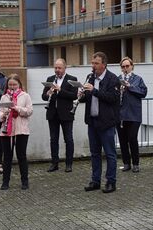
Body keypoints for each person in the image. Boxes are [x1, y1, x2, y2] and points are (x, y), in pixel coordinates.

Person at [79, 52, 120, 193]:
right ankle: (95, 180)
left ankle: (111, 182)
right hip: (92, 121)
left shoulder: (113, 79)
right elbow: (87, 98)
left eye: (96, 63)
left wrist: (94, 90)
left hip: (107, 122)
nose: (93, 66)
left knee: (109, 154)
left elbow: (112, 98)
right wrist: (82, 94)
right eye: (92, 63)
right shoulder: (90, 77)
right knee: (94, 153)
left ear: (104, 64)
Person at [41, 58, 78, 173]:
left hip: (66, 114)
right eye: (55, 68)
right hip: (52, 113)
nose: (57, 70)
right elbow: (43, 96)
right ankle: (54, 163)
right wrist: (48, 93)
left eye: (59, 68)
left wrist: (60, 90)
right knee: (53, 139)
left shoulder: (72, 79)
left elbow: (74, 96)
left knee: (68, 139)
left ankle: (69, 164)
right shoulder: (50, 79)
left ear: (65, 68)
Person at [0, 74, 33, 190]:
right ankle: (5, 182)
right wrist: (4, 115)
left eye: (14, 84)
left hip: (21, 130)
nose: (12, 87)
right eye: (10, 84)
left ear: (19, 84)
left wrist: (17, 108)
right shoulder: (4, 97)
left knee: (21, 155)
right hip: (6, 130)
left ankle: (25, 181)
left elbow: (29, 111)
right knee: (7, 156)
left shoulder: (25, 96)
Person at [117, 57, 147, 173]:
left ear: (132, 66)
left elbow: (143, 92)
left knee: (132, 138)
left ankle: (135, 163)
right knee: (122, 140)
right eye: (123, 67)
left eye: (127, 66)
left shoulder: (138, 79)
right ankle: (126, 163)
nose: (125, 69)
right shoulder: (118, 79)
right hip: (120, 115)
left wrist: (130, 86)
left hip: (134, 114)